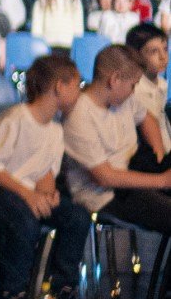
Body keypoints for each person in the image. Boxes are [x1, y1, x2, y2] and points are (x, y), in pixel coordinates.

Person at [0, 54, 89, 299]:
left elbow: (46, 170)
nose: (79, 91)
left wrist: (48, 193)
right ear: (59, 87)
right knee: (24, 220)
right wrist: (29, 195)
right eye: (76, 84)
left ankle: (63, 294)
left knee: (76, 217)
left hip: (28, 194)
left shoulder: (55, 128)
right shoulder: (14, 118)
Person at [63, 44, 171, 238]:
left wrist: (159, 158)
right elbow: (104, 176)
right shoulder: (79, 115)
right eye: (133, 84)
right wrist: (162, 180)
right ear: (114, 80)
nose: (133, 90)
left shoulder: (123, 100)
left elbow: (147, 118)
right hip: (104, 195)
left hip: (134, 175)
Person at [125, 23, 171, 173]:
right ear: (136, 55)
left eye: (165, 49)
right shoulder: (135, 90)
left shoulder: (162, 84)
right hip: (149, 160)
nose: (163, 57)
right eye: (154, 52)